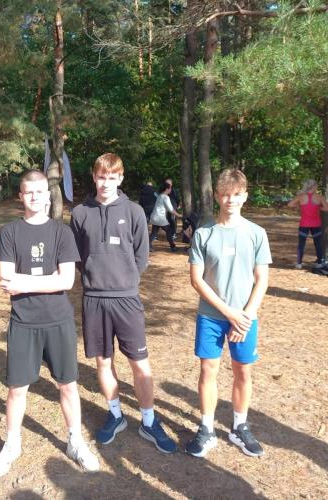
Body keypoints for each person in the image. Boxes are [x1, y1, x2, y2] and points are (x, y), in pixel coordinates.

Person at [0, 169, 99, 477]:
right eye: (29, 192)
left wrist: (24, 282)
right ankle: (12, 444)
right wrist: (44, 280)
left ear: (48, 196)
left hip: (58, 321)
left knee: (68, 385)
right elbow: (7, 281)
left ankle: (75, 442)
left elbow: (66, 280)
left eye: (40, 192)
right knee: (17, 389)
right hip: (23, 321)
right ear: (21, 196)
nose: (35, 197)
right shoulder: (9, 232)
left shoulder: (61, 233)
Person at [70, 153, 177, 454]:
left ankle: (148, 420)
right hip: (94, 299)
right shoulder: (79, 213)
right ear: (94, 177)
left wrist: (124, 279)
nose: (106, 183)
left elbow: (142, 256)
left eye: (112, 177)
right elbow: (78, 256)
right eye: (101, 177)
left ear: (120, 178)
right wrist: (95, 276)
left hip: (127, 299)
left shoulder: (133, 211)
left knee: (139, 362)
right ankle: (115, 414)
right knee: (103, 361)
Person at [185, 168, 271, 459]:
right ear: (217, 196)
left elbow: (262, 280)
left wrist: (245, 316)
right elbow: (197, 280)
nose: (230, 200)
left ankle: (239, 426)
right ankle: (207, 428)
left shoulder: (256, 233)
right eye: (225, 194)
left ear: (244, 196)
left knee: (242, 370)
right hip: (211, 317)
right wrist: (228, 313)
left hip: (246, 318)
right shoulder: (204, 233)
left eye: (236, 195)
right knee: (208, 370)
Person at [287, 179, 328, 269]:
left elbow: (290, 204)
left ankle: (299, 263)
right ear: (313, 186)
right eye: (316, 185)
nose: (317, 187)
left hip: (304, 224)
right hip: (316, 224)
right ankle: (319, 262)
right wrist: (318, 207)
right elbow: (326, 208)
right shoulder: (319, 197)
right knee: (318, 243)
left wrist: (300, 205)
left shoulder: (301, 196)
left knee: (301, 244)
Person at [149, 183, 182, 252]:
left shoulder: (160, 196)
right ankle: (173, 247)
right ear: (167, 189)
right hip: (160, 218)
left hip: (154, 217)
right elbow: (171, 209)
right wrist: (179, 215)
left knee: (154, 233)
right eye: (170, 188)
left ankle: (148, 246)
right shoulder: (165, 197)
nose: (171, 190)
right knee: (169, 231)